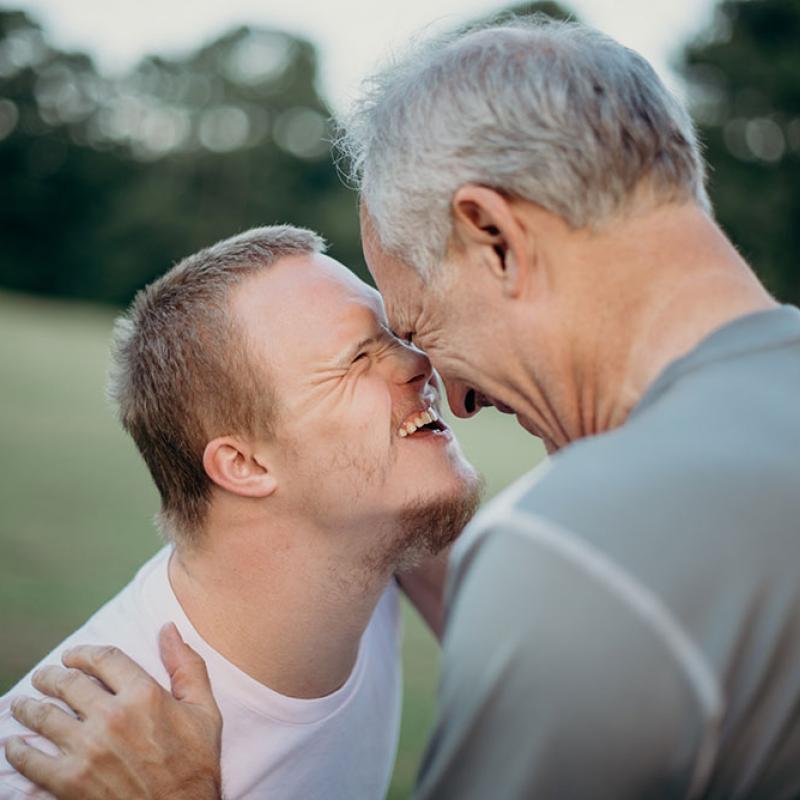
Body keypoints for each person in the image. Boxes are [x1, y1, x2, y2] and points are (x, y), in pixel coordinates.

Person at [6, 15, 800, 800]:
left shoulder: (578, 557)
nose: (452, 394)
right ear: (242, 463)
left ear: (494, 237)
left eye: (417, 325)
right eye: (372, 350)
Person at [0, 225, 481, 799]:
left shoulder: (375, 537)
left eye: (396, 334)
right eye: (358, 359)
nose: (419, 361)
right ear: (244, 465)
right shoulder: (67, 767)